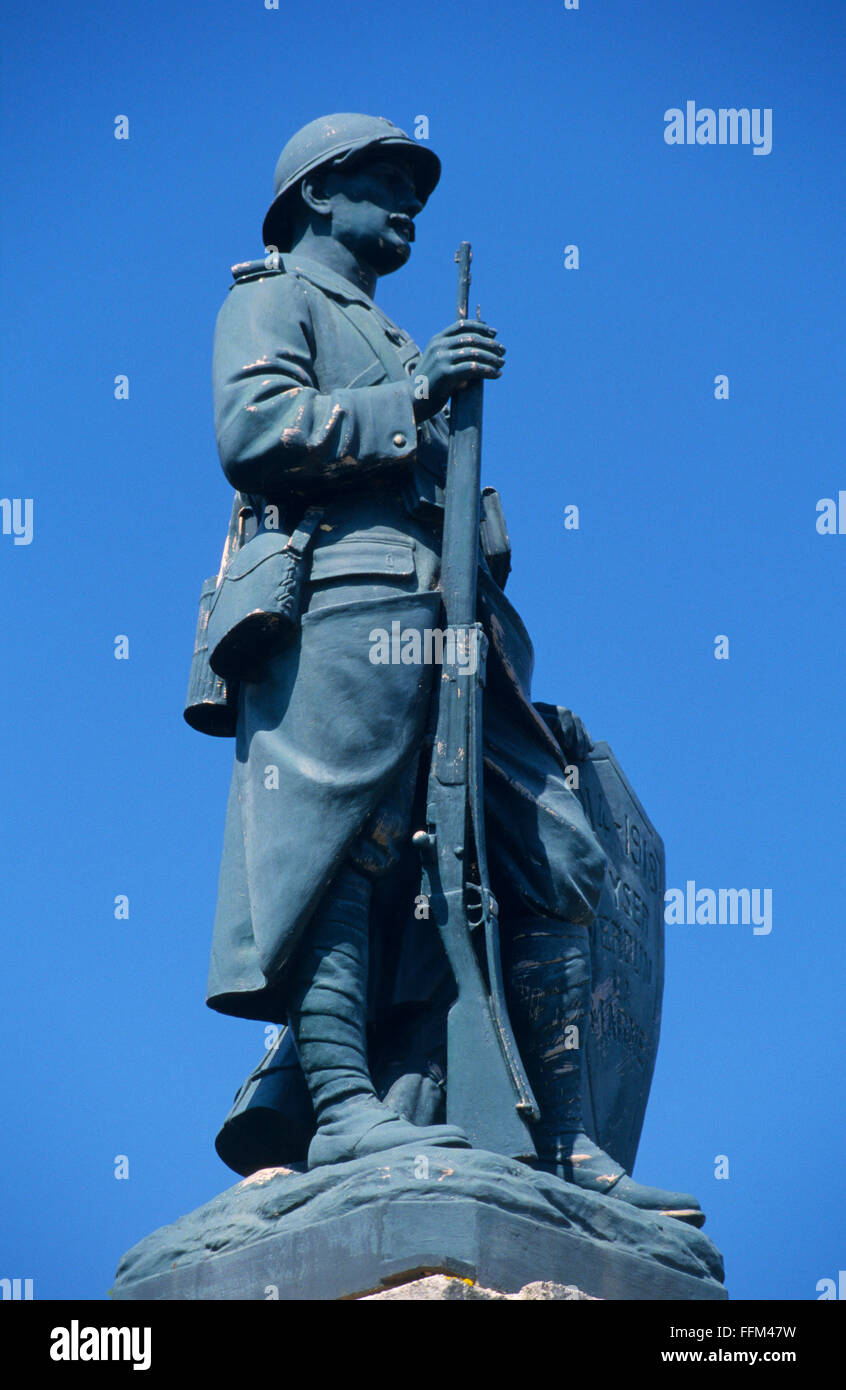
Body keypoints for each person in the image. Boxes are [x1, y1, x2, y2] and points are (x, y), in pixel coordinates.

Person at [203, 113, 702, 1223]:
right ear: (318, 198)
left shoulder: (386, 327)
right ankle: (341, 1100)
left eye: (410, 186)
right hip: (345, 598)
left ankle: (558, 1137)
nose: (406, 204)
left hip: (461, 624)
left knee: (551, 849)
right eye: (384, 182)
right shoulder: (273, 298)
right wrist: (415, 398)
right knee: (345, 848)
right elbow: (256, 427)